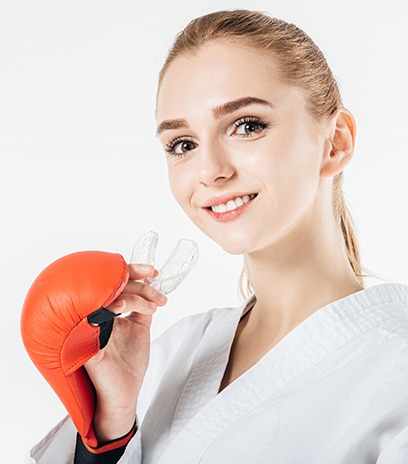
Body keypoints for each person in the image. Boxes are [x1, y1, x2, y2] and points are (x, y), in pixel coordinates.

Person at [25, 9, 408, 464]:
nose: (210, 171)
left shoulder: (395, 367)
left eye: (246, 125)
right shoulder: (177, 350)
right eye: (182, 144)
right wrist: (111, 426)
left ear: (335, 141)